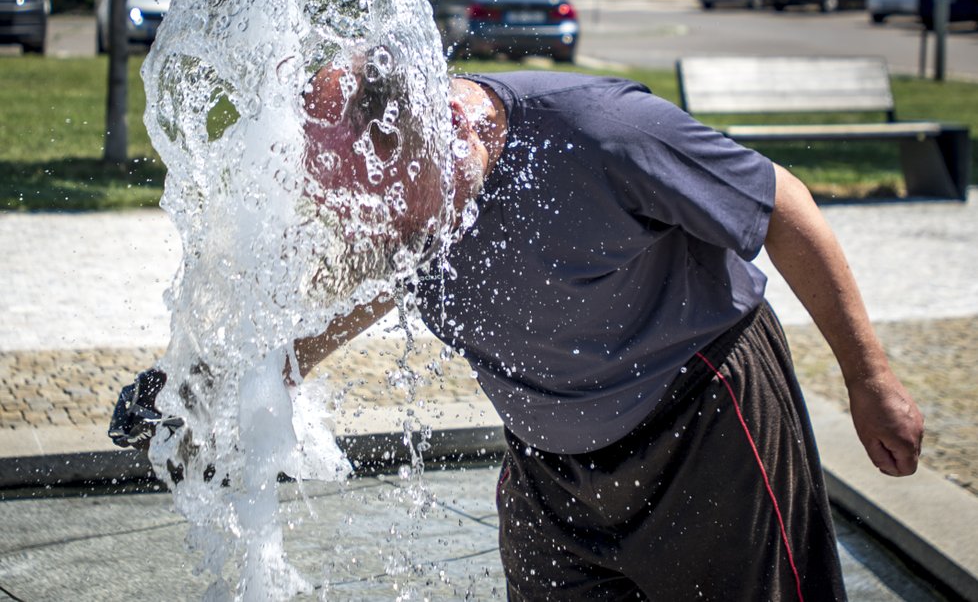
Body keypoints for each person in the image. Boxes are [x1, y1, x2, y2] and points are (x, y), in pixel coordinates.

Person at [111, 65, 924, 601]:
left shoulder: (603, 133)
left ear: (449, 124)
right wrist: (246, 378)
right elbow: (381, 272)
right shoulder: (405, 198)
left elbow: (783, 205)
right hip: (548, 464)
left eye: (395, 208)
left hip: (705, 420)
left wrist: (869, 378)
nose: (391, 235)